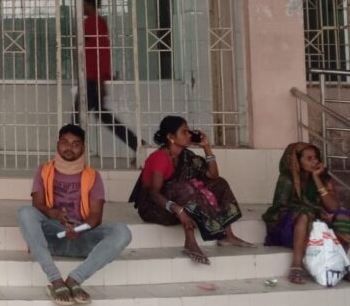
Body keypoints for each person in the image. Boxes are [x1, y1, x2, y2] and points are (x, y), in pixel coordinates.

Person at [18, 124, 132, 306]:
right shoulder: (43, 170)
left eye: (75, 144)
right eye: (64, 142)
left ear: (83, 148)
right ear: (57, 144)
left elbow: (96, 215)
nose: (69, 148)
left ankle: (74, 280)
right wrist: (52, 213)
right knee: (25, 212)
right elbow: (37, 205)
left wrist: (79, 229)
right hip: (52, 237)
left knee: (122, 231)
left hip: (81, 237)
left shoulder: (93, 176)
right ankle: (56, 280)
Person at [130, 115, 252, 265]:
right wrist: (178, 210)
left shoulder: (186, 156)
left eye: (188, 131)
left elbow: (213, 175)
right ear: (171, 137)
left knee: (219, 183)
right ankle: (190, 243)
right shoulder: (160, 158)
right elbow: (153, 193)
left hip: (178, 206)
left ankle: (227, 235)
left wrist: (206, 147)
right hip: (155, 208)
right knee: (183, 187)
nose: (189, 135)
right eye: (184, 132)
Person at [262, 142, 350, 284]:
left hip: (318, 223)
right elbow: (280, 207)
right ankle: (296, 266)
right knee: (304, 214)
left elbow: (333, 206)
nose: (314, 161)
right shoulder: (287, 179)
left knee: (343, 215)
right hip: (289, 227)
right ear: (296, 161)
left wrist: (316, 179)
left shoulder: (324, 178)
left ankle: (343, 264)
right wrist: (317, 210)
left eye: (316, 157)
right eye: (309, 158)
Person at [75, 0, 140, 152]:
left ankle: (72, 153)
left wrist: (100, 80)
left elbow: (101, 52)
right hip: (91, 78)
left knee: (78, 118)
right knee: (102, 116)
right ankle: (137, 145)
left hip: (92, 80)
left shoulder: (94, 23)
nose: (80, 7)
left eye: (82, 3)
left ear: (89, 4)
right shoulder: (93, 22)